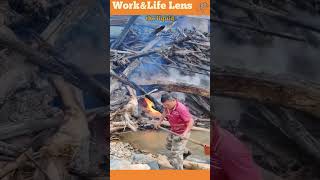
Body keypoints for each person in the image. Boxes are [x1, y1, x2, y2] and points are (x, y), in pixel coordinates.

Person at [154, 93, 194, 170]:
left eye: (167, 105)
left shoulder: (181, 109)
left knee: (175, 154)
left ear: (173, 101)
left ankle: (179, 170)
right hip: (173, 130)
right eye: (164, 105)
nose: (165, 106)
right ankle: (186, 152)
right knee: (169, 145)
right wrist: (159, 121)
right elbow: (165, 112)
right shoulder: (168, 106)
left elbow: (191, 122)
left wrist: (184, 134)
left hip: (182, 132)